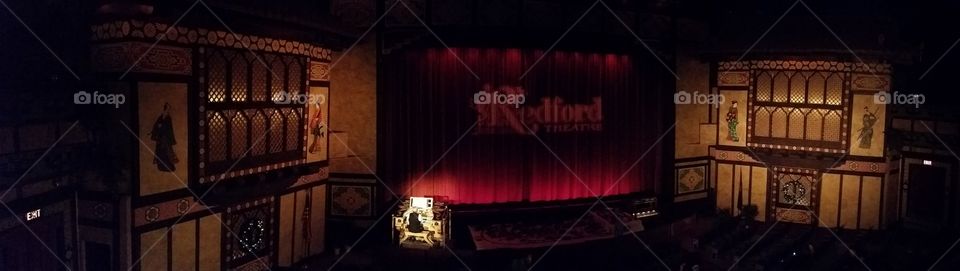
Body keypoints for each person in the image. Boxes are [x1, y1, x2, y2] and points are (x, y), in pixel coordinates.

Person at [150, 102, 178, 171]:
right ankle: (161, 166)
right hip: (160, 138)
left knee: (167, 152)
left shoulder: (168, 118)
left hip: (166, 138)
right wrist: (157, 128)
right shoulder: (161, 116)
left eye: (169, 108)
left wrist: (162, 126)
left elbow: (169, 128)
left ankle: (169, 166)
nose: (168, 109)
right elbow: (156, 125)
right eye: (167, 108)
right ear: (165, 108)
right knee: (160, 152)